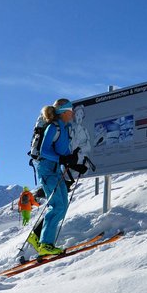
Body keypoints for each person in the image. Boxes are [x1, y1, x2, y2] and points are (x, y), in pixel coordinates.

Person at [27, 98, 87, 255]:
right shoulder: (54, 128)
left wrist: (75, 164)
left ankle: (39, 239)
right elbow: (44, 151)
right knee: (57, 205)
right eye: (70, 111)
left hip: (56, 171)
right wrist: (63, 159)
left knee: (63, 205)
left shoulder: (64, 128)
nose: (72, 114)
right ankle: (45, 244)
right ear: (63, 112)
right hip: (47, 171)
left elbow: (64, 154)